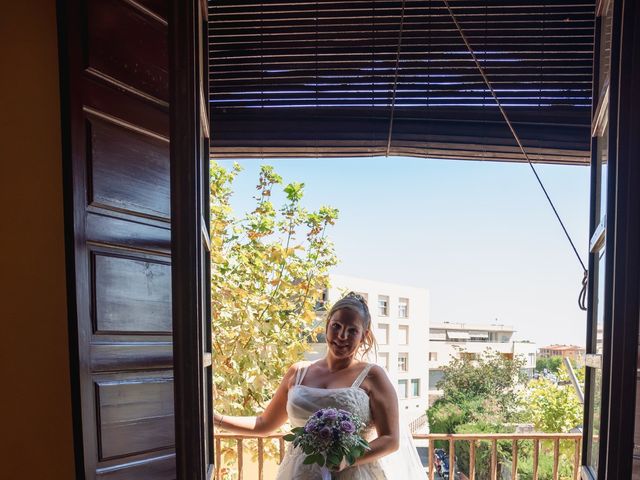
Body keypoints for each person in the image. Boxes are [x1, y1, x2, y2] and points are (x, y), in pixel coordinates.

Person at [214, 292, 425, 479]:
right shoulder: (297, 372)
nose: (342, 336)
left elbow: (390, 440)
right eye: (336, 326)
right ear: (327, 326)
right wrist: (215, 419)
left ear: (364, 336)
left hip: (353, 473)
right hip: (299, 473)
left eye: (352, 331)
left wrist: (347, 459)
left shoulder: (372, 376)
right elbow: (263, 424)